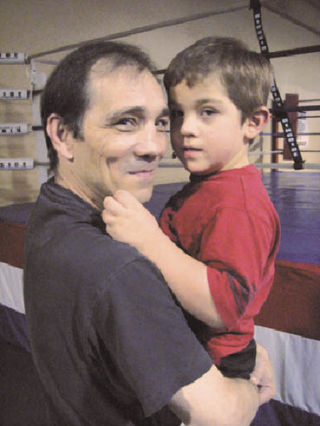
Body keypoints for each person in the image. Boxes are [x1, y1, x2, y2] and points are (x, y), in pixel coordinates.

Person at [24, 40, 274, 426]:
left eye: (159, 122)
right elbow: (221, 415)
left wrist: (244, 349)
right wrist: (251, 385)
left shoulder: (51, 213)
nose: (156, 146)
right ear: (62, 135)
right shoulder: (119, 269)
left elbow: (226, 303)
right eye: (126, 121)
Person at [102, 37, 281, 380]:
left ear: (253, 123)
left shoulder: (237, 205)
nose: (186, 129)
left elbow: (222, 308)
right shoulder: (208, 188)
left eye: (208, 112)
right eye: (178, 114)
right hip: (193, 351)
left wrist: (149, 240)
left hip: (214, 364)